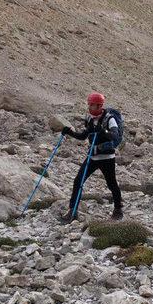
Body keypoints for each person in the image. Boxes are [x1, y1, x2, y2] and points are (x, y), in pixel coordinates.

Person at [61, 92, 123, 222]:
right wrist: (70, 133)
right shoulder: (89, 118)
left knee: (111, 184)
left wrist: (103, 131)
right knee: (78, 181)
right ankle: (73, 211)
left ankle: (118, 210)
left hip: (107, 158)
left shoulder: (109, 119)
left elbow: (115, 136)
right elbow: (84, 136)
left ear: (99, 105)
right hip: (92, 157)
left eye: (91, 104)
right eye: (89, 104)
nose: (89, 106)